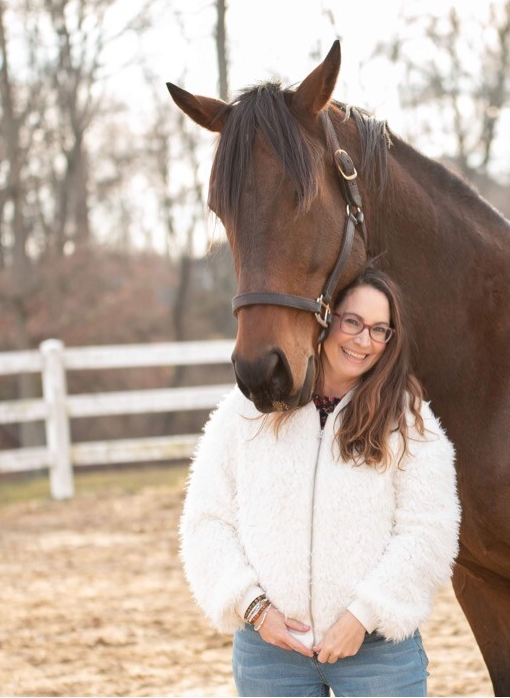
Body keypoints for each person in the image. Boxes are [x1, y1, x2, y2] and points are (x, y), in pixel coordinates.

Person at [180, 267, 460, 697]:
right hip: (271, 655)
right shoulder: (248, 412)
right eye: (353, 322)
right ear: (325, 318)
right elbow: (206, 520)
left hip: (375, 655)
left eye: (379, 330)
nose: (363, 340)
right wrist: (253, 608)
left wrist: (364, 615)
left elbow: (428, 533)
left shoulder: (409, 424)